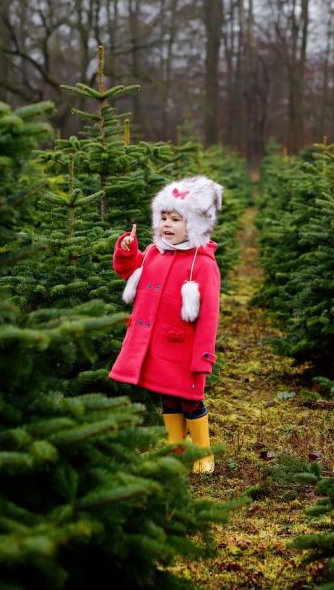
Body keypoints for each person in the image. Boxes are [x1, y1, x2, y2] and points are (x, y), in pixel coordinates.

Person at [109, 175, 223, 474]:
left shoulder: (203, 263)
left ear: (194, 225)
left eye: (176, 219)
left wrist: (203, 357)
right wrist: (127, 250)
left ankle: (203, 453)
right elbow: (131, 271)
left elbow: (209, 315)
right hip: (158, 347)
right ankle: (176, 448)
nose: (167, 225)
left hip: (184, 350)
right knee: (168, 397)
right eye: (163, 218)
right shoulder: (155, 253)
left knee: (190, 399)